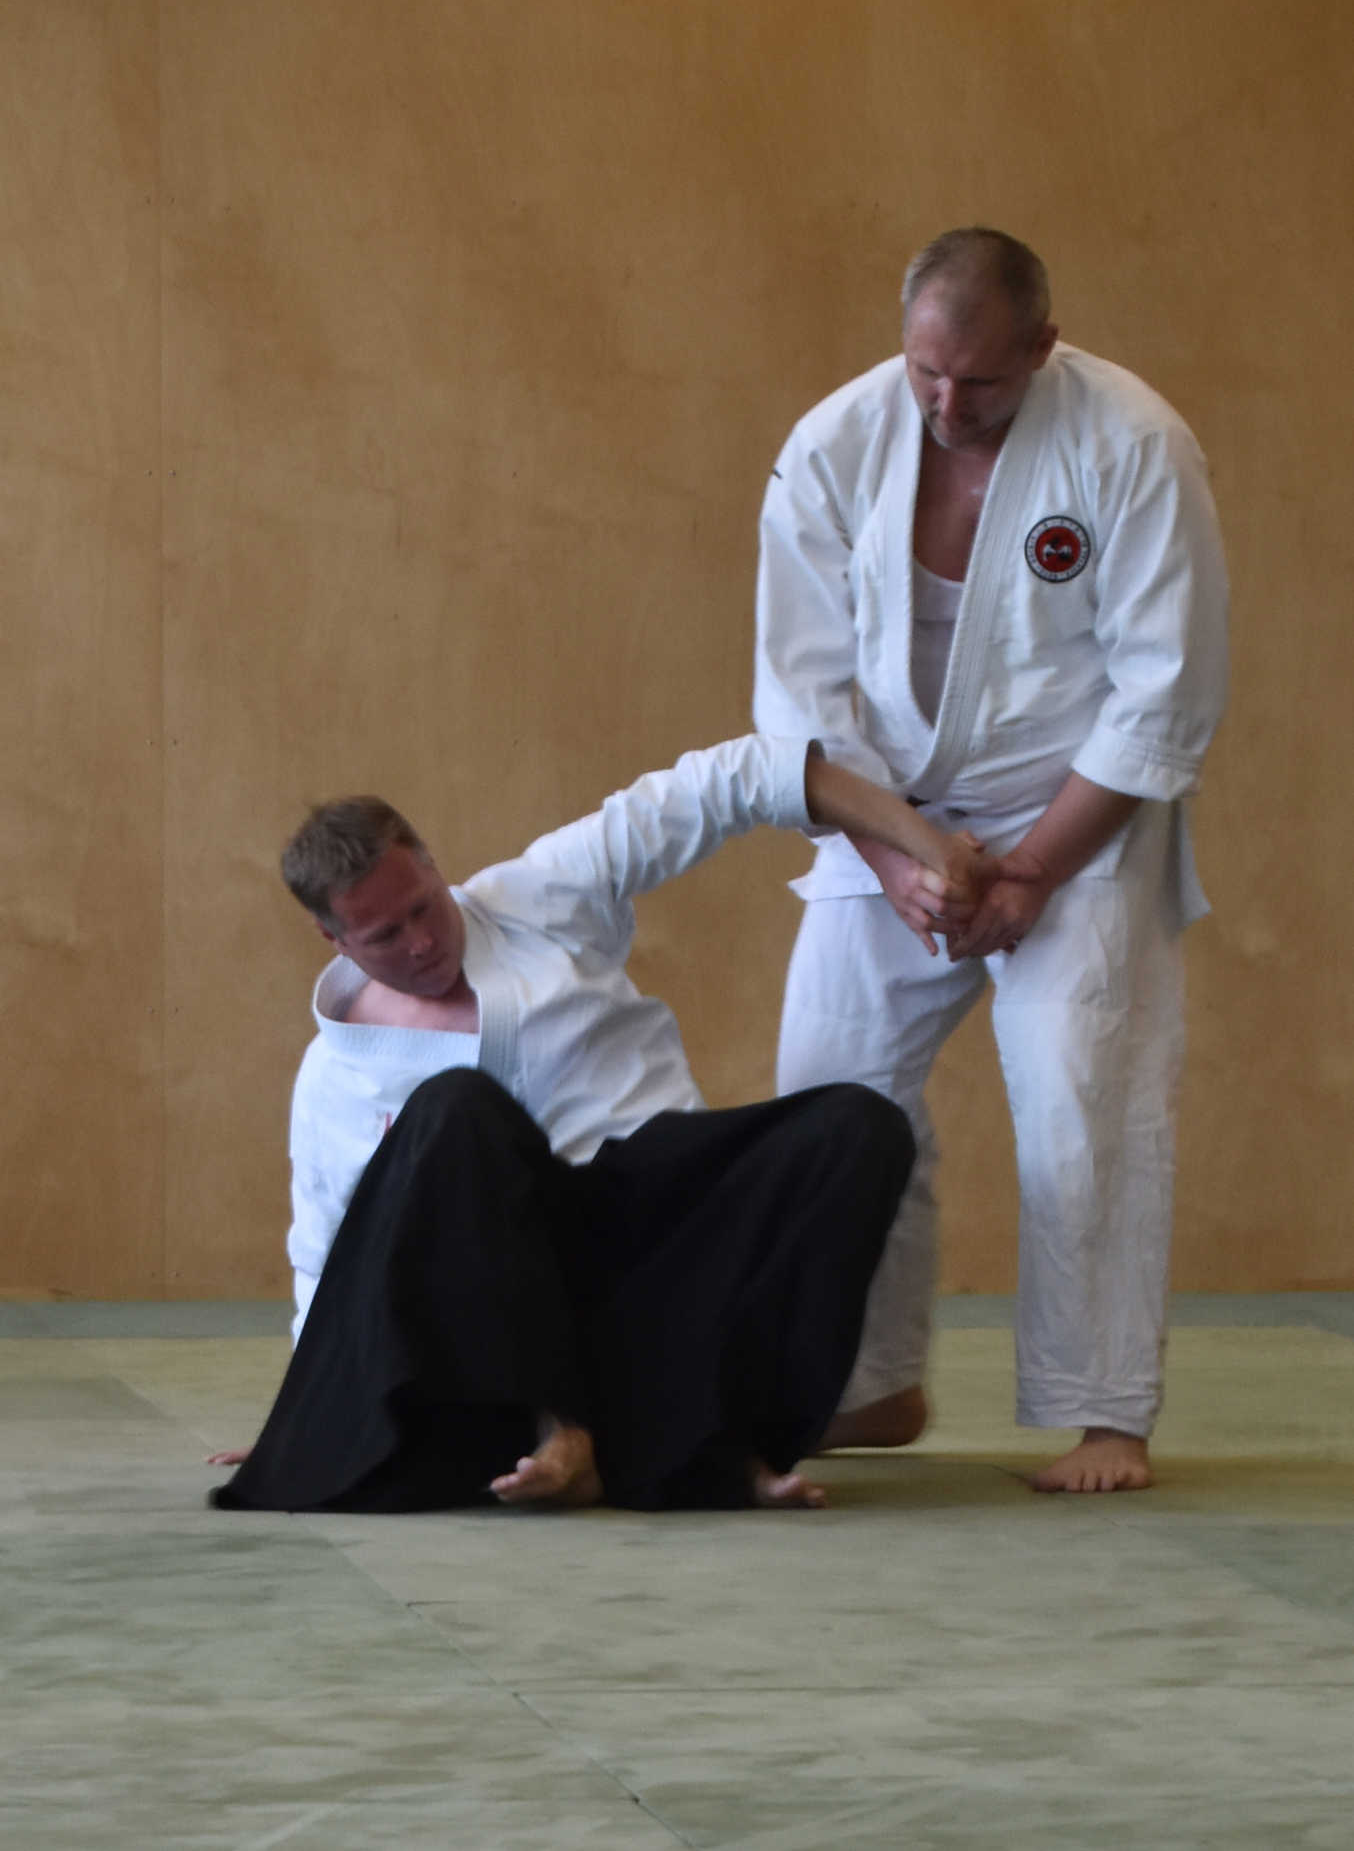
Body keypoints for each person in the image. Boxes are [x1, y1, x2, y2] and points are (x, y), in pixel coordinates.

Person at [211, 735, 994, 1515]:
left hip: (656, 1232)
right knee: (457, 1108)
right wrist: (306, 1422)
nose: (421, 942)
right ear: (333, 938)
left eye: (424, 905)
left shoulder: (539, 895)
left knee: (856, 1127)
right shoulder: (336, 1075)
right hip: (500, 1299)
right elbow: (328, 1252)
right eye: (385, 935)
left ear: (433, 864)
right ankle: (567, 1430)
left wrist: (926, 848)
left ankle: (720, 1435)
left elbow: (730, 782)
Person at [754, 228, 1229, 1492]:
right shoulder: (832, 445)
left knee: (1083, 1095)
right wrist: (895, 855)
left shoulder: (1131, 443)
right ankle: (865, 1382)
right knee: (829, 1091)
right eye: (926, 371)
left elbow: (1165, 688)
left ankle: (1106, 1415)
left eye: (979, 380)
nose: (947, 403)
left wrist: (1030, 871)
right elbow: (801, 693)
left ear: (1042, 346)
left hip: (1078, 810)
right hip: (886, 808)